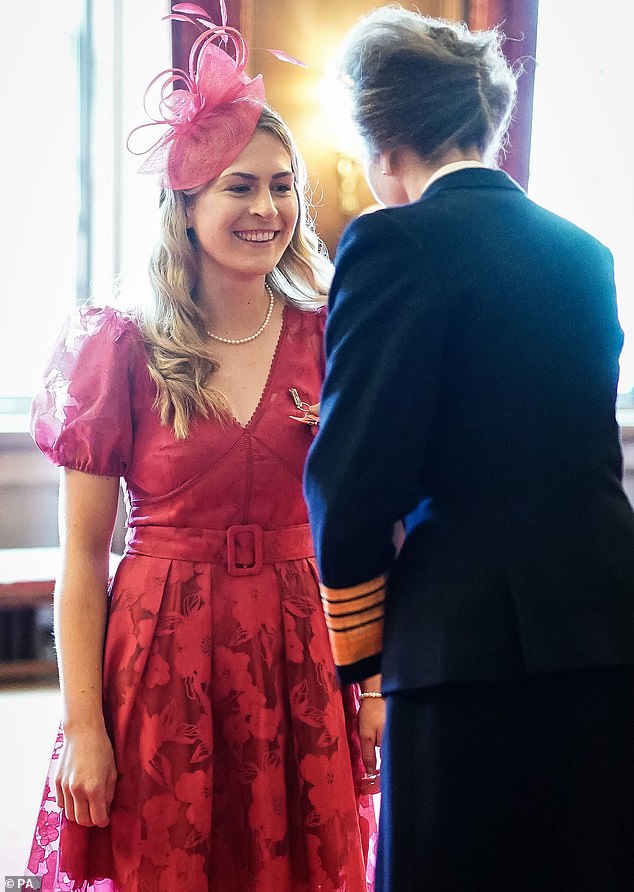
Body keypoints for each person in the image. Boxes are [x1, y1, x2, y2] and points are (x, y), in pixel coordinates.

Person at [27, 8, 376, 891]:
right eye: (238, 187)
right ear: (183, 207)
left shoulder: (332, 330)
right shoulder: (120, 343)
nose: (267, 209)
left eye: (282, 185)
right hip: (163, 653)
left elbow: (376, 516)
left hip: (303, 646)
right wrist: (85, 728)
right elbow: (79, 555)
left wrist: (374, 683)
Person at [304, 6, 634, 891]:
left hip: (462, 648)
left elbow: (352, 478)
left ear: (381, 141)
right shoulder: (586, 254)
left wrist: (364, 663)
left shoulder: (392, 242)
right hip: (603, 627)